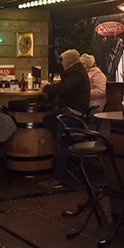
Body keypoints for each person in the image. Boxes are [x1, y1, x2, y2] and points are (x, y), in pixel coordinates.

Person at [39, 49, 91, 189]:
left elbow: (64, 88)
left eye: (63, 60)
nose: (62, 63)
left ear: (68, 61)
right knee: (49, 118)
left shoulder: (75, 73)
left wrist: (47, 88)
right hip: (70, 109)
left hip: (74, 111)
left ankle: (57, 178)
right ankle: (67, 144)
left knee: (62, 141)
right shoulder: (77, 71)